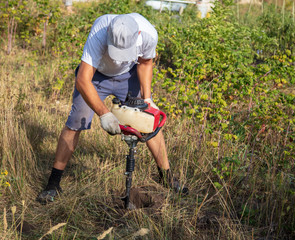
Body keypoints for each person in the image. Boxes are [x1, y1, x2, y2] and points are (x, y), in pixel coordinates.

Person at [37, 13, 188, 203]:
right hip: (96, 77)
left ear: (138, 34)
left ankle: (167, 177)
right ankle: (53, 183)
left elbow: (145, 63)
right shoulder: (99, 32)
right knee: (76, 121)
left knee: (149, 119)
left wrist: (147, 99)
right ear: (108, 34)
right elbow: (83, 80)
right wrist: (104, 114)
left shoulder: (149, 34)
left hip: (128, 75)